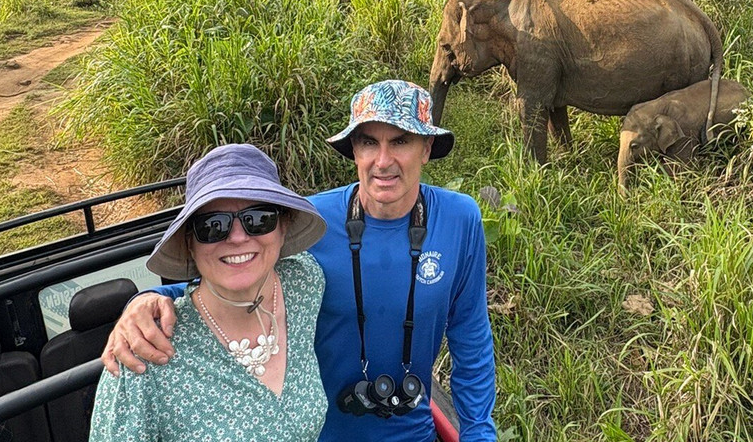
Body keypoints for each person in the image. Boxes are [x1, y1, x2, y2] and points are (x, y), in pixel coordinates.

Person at [103, 80, 497, 442]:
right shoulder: (312, 223)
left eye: (400, 142)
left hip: (414, 431)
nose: (382, 160)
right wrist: (146, 300)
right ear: (353, 151)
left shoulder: (459, 219)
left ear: (427, 148)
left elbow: (471, 337)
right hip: (315, 430)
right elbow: (232, 272)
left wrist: (479, 432)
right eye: (367, 143)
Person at [90, 143, 329, 442]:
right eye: (213, 225)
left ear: (283, 227)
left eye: (259, 219)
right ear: (190, 243)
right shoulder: (144, 355)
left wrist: (143, 297)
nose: (238, 237)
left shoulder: (303, 282)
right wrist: (140, 301)